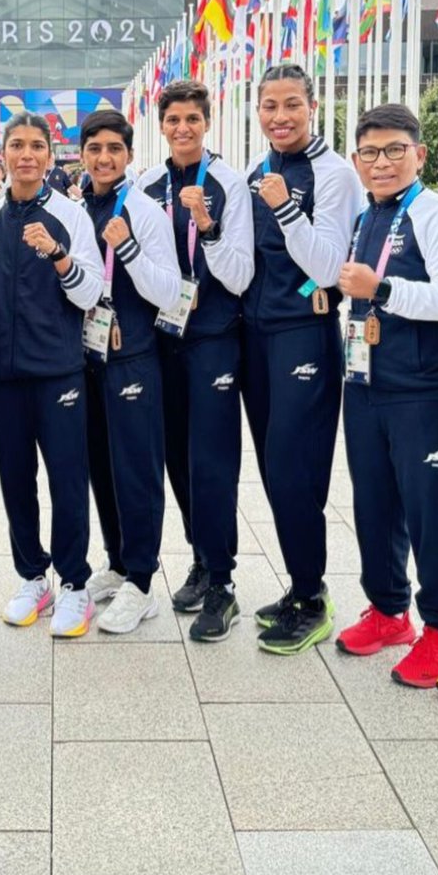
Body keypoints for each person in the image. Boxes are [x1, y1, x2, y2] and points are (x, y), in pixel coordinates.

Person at [334, 104, 438, 687]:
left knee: (429, 512)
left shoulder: (436, 214)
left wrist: (383, 288)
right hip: (365, 382)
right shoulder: (368, 215)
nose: (382, 162)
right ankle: (389, 611)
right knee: (374, 505)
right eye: (370, 153)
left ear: (420, 154)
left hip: (423, 390)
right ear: (356, 161)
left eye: (394, 150)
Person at [0, 112, 104, 636]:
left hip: (58, 371)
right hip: (1, 376)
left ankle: (74, 582)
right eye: (17, 145)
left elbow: (90, 293)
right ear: (2, 154)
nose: (26, 155)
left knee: (67, 478)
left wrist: (58, 255)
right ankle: (32, 576)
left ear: (50, 155)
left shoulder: (71, 215)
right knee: (15, 478)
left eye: (36, 146)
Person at [243, 64, 360, 655]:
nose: (280, 116)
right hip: (255, 335)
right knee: (273, 469)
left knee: (295, 467)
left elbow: (327, 266)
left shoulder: (334, 174)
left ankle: (312, 598)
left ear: (312, 107)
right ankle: (300, 585)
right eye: (270, 106)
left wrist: (287, 208)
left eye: (292, 104)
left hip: (304, 333)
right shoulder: (257, 169)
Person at [137, 80, 255, 641]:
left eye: (192, 119)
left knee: (212, 460)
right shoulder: (148, 185)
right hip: (165, 337)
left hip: (214, 337)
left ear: (207, 123)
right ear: (161, 125)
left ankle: (223, 583)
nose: (182, 128)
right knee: (178, 459)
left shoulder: (229, 183)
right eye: (173, 119)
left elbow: (241, 274)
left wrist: (207, 226)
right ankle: (202, 559)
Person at [77, 110, 181, 633]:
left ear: (130, 155)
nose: (104, 158)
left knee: (137, 470)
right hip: (89, 356)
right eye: (95, 148)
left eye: (114, 149)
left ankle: (141, 581)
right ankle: (117, 562)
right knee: (102, 466)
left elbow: (168, 291)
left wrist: (130, 247)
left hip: (134, 354)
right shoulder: (80, 207)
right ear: (82, 154)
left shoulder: (142, 210)